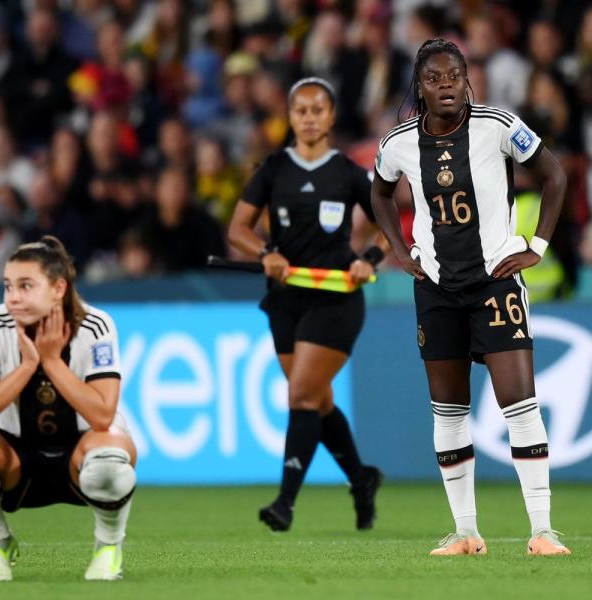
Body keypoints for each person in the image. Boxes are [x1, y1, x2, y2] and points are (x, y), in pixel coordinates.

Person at [370, 39, 570, 556]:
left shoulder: (498, 126)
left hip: (495, 280)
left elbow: (555, 175)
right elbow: (378, 191)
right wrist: (398, 247)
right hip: (435, 287)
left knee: (519, 403)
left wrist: (538, 246)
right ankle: (465, 532)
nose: (447, 87)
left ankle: (543, 531)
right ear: (419, 86)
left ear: (466, 81)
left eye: (454, 77)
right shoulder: (398, 144)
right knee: (449, 411)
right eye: (435, 79)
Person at [228, 77, 384, 532]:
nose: (310, 118)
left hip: (336, 298)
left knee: (300, 394)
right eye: (301, 110)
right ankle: (361, 479)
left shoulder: (350, 172)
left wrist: (368, 260)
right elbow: (239, 228)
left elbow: (387, 228)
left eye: (318, 110)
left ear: (332, 117)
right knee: (316, 399)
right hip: (285, 300)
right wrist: (265, 254)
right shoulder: (274, 168)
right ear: (291, 117)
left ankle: (284, 503)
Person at [0, 236, 136, 581]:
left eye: (26, 286)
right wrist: (25, 368)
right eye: (8, 286)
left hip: (80, 455)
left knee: (112, 453)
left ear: (58, 288)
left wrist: (50, 361)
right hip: (15, 458)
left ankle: (108, 547)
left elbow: (103, 415)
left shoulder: (95, 325)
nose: (13, 297)